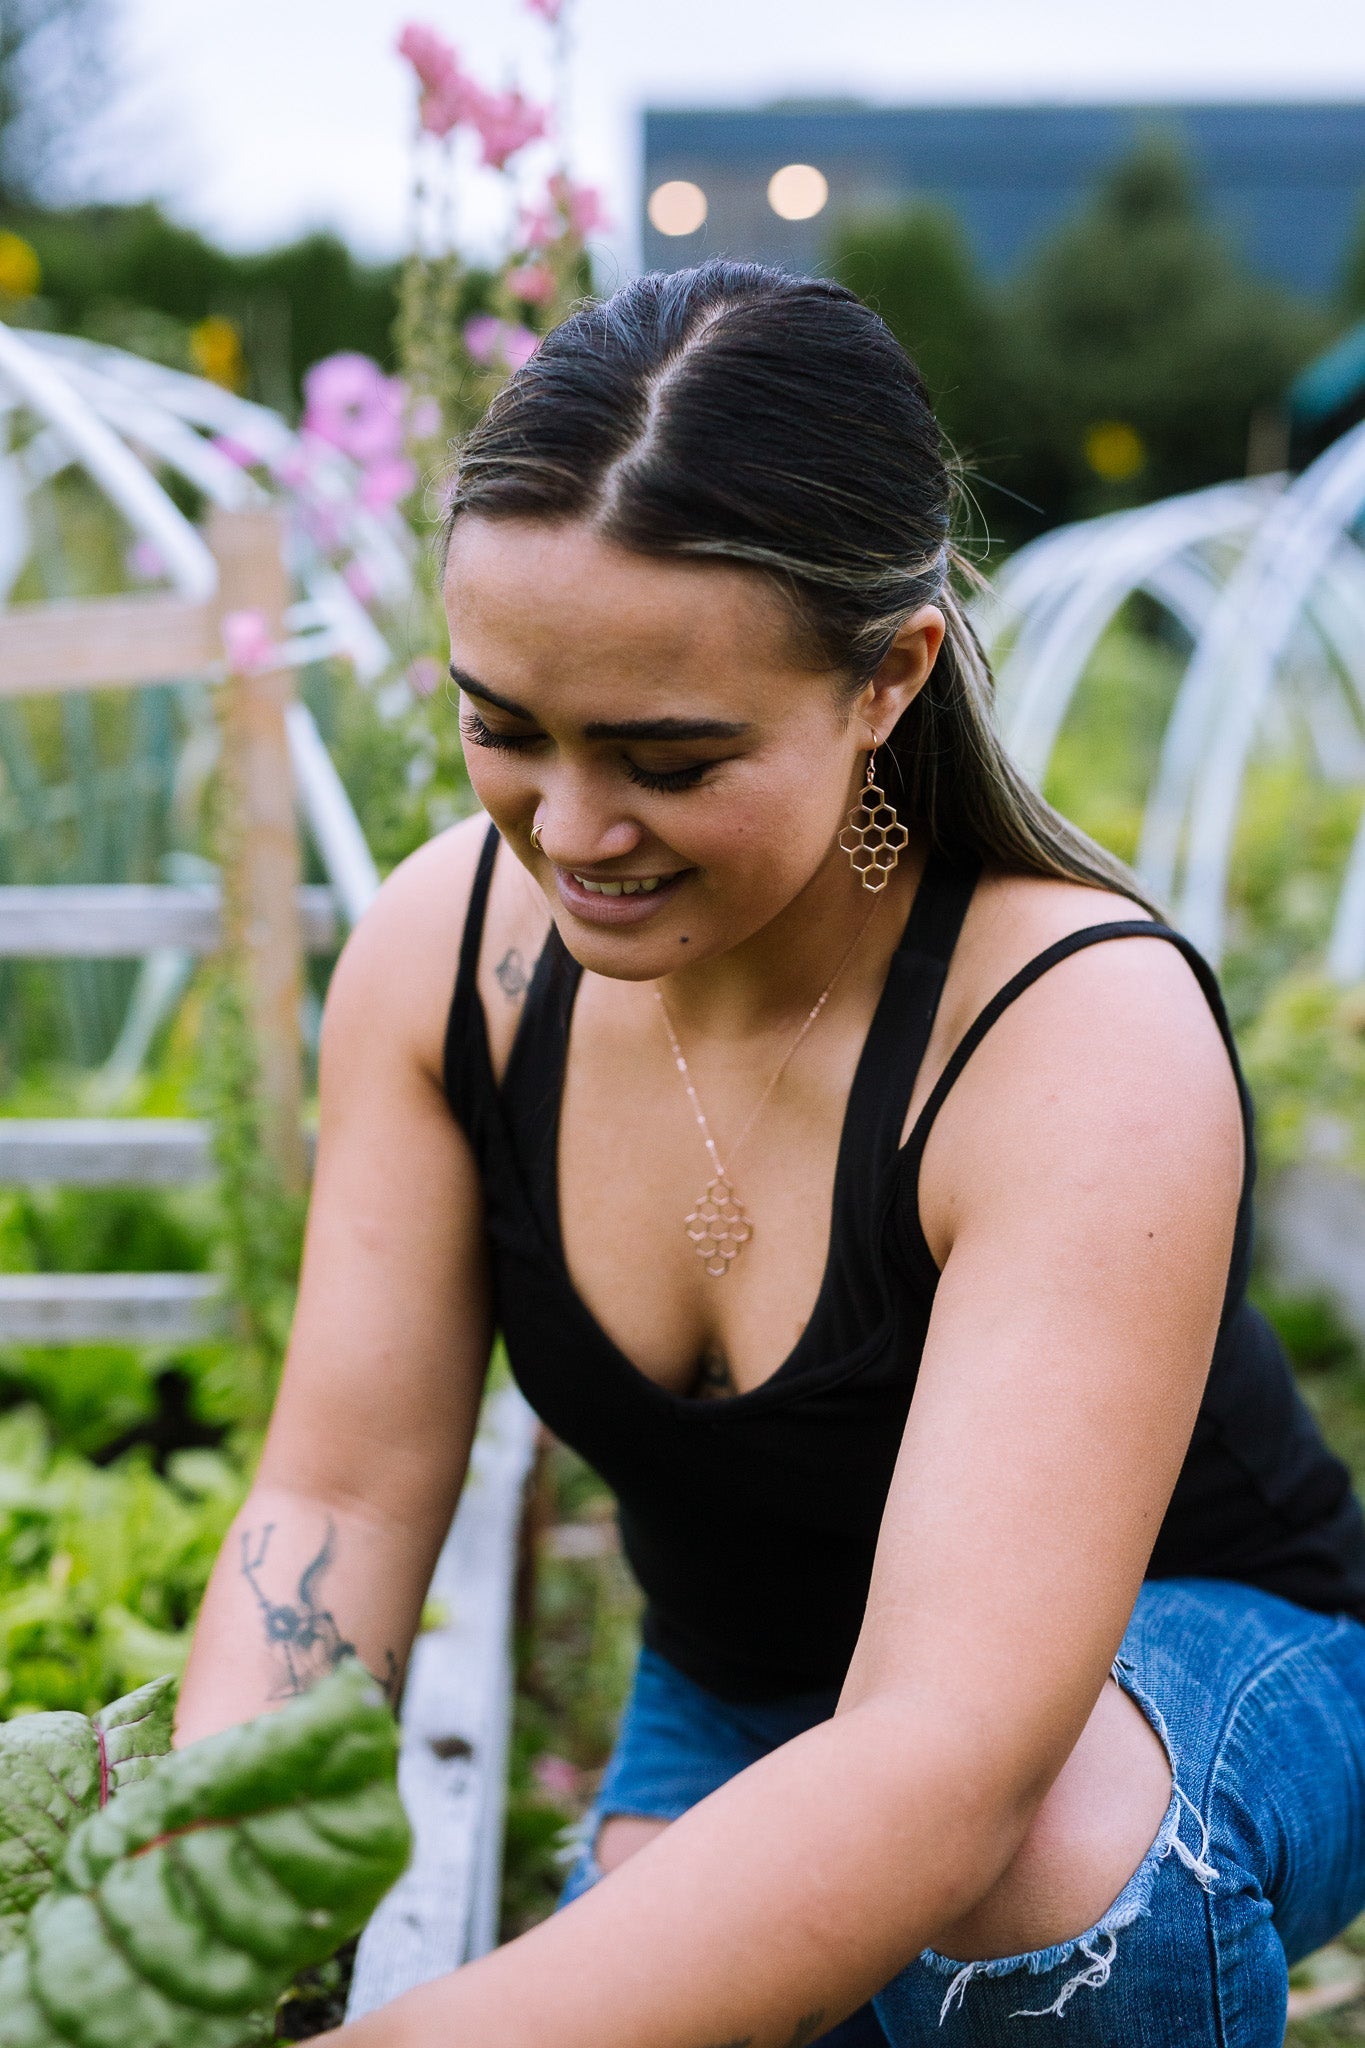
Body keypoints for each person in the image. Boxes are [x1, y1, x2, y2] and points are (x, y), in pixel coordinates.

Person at [177, 262, 1365, 2048]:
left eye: (664, 755)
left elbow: (952, 1752)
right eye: (501, 727)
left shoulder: (1066, 1037)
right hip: (746, 1695)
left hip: (1175, 1682)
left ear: (885, 678)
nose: (567, 830)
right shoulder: (447, 963)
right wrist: (207, 1925)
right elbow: (334, 1501)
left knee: (1028, 1875)